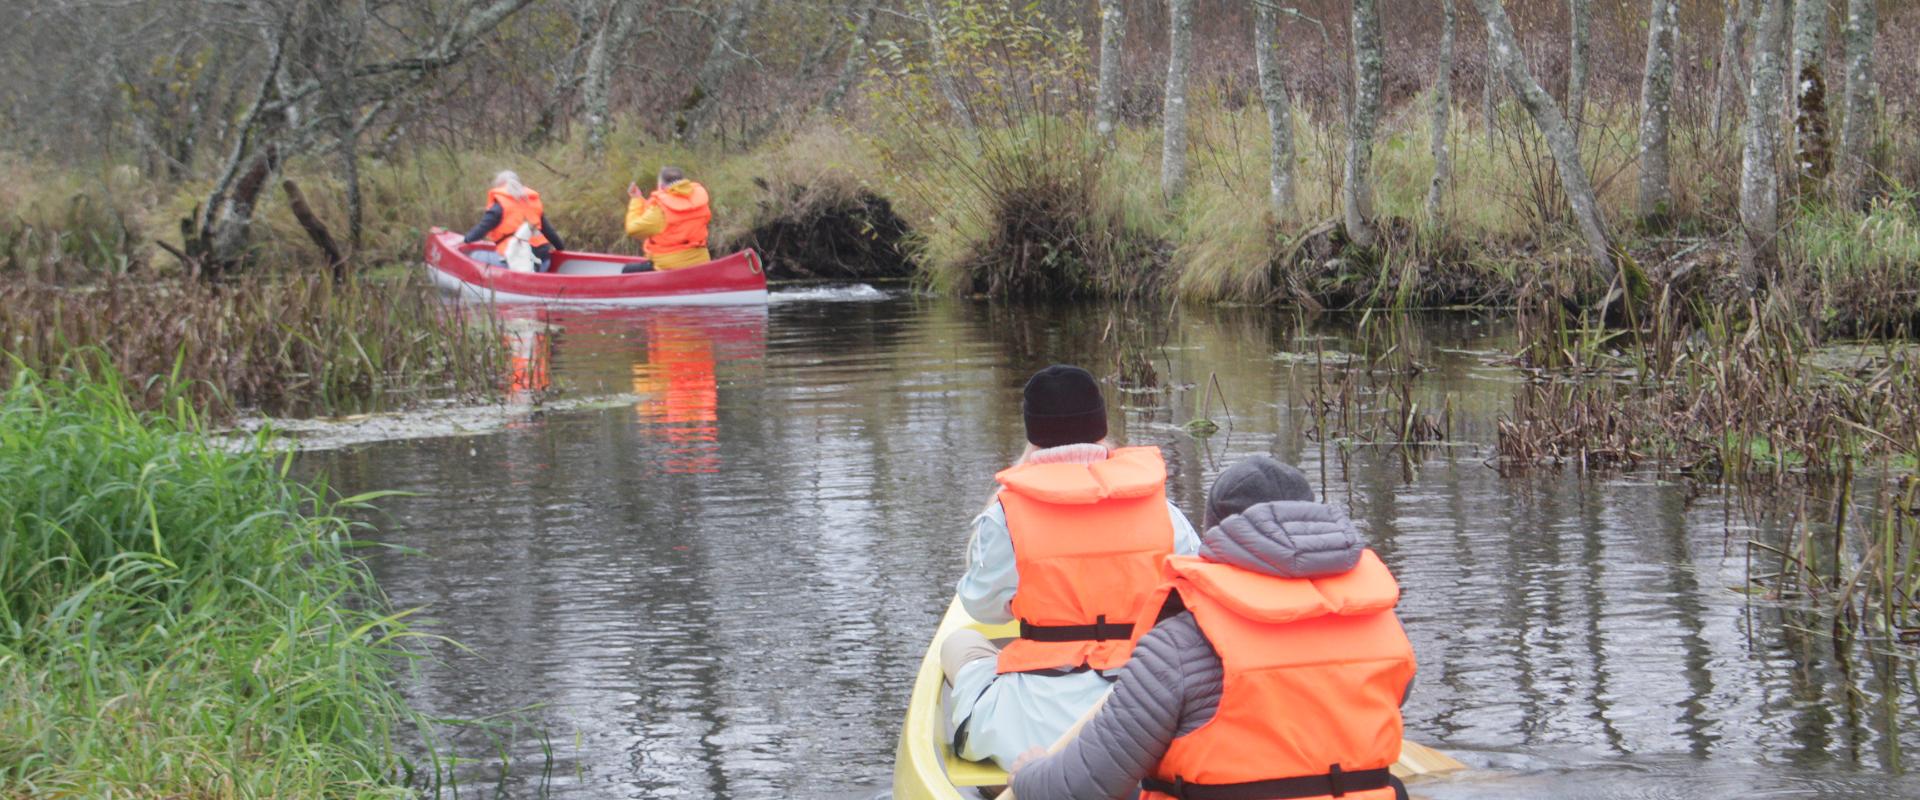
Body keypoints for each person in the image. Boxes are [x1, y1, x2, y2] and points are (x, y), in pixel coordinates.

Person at [1006, 455, 1418, 800]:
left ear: (1214, 535)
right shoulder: (1383, 628)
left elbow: (1082, 786)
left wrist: (1027, 775)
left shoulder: (1179, 646)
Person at [941, 364, 1201, 769]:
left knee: (959, 644)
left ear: (1032, 433)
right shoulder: (1160, 507)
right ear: (1101, 426)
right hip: (1144, 704)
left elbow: (981, 608)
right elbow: (1194, 593)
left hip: (1038, 723)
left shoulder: (1006, 515)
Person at [463, 171, 565, 272]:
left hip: (518, 266)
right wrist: (560, 248)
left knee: (475, 255)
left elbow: (481, 230)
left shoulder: (498, 207)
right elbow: (549, 232)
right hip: (543, 263)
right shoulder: (533, 204)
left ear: (499, 186)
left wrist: (465, 240)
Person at [621, 166, 713, 273]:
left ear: (661, 185)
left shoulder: (659, 210)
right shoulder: (699, 201)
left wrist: (635, 200)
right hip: (701, 262)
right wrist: (641, 199)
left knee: (627, 270)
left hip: (670, 267)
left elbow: (632, 229)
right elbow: (669, 211)